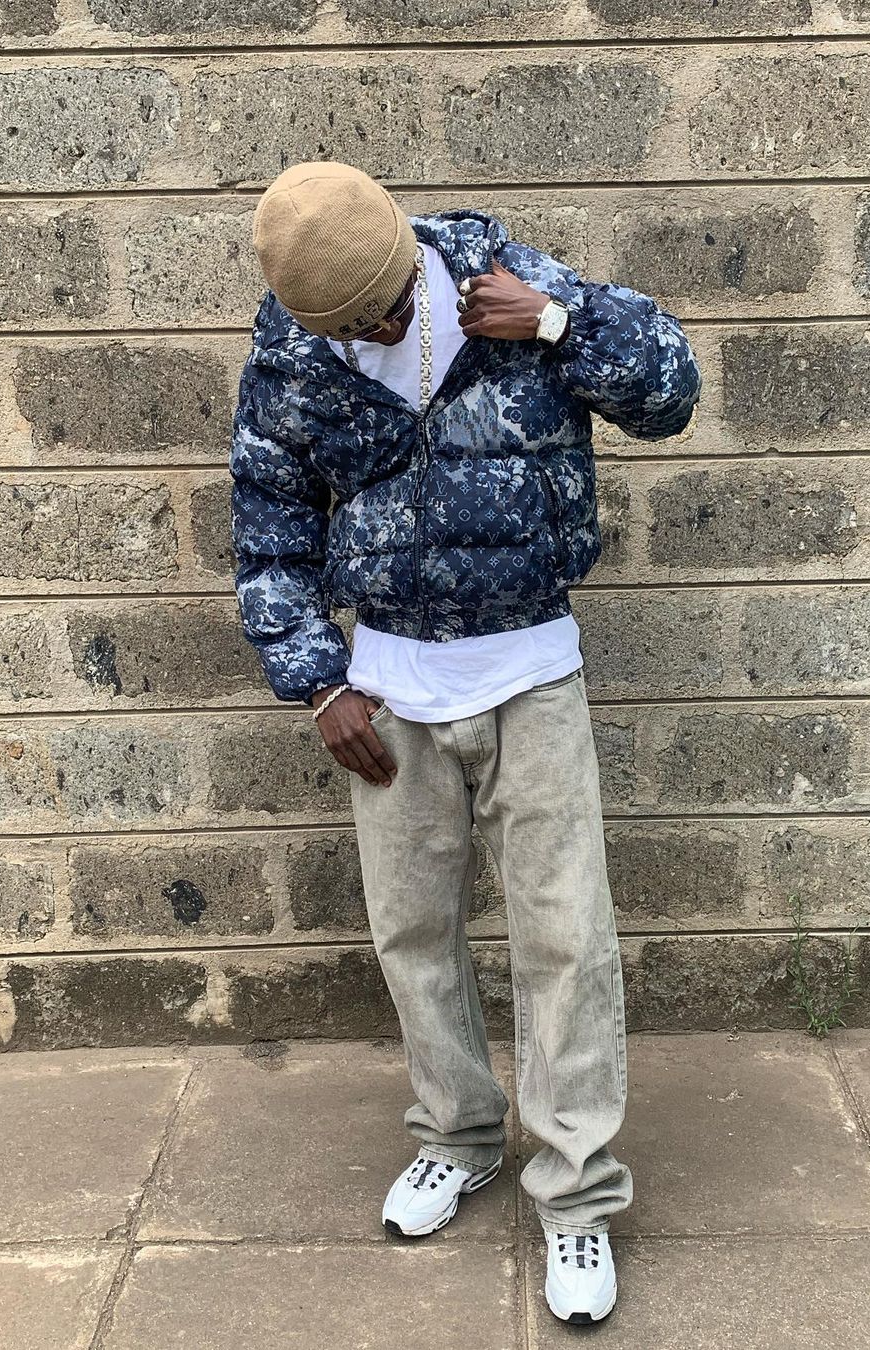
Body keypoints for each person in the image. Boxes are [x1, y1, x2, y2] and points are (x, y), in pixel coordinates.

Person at [229, 160, 701, 1325]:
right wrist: (317, 681)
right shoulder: (291, 356)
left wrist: (558, 323)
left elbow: (671, 391)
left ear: (410, 258)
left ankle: (577, 1194)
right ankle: (458, 1135)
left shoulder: (509, 279)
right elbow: (269, 522)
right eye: (355, 327)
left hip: (532, 674)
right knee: (413, 938)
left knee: (567, 942)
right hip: (390, 694)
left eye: (392, 308)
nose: (382, 333)